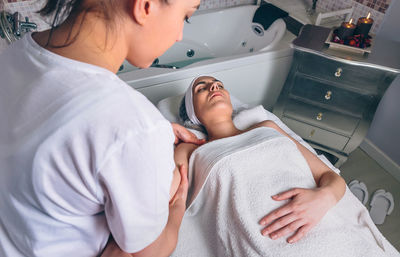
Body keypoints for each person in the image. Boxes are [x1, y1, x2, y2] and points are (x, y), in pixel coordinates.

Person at [0, 0, 203, 256]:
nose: (179, 36)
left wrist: (142, 136)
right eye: (185, 17)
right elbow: (148, 250)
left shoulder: (15, 53)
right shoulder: (131, 126)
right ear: (145, 6)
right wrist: (177, 209)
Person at [174, 75, 347, 243]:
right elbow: (166, 196)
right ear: (192, 114)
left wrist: (324, 198)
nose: (214, 87)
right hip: (264, 237)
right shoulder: (191, 150)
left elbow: (330, 176)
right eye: (201, 89)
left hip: (320, 223)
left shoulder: (267, 127)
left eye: (219, 85)